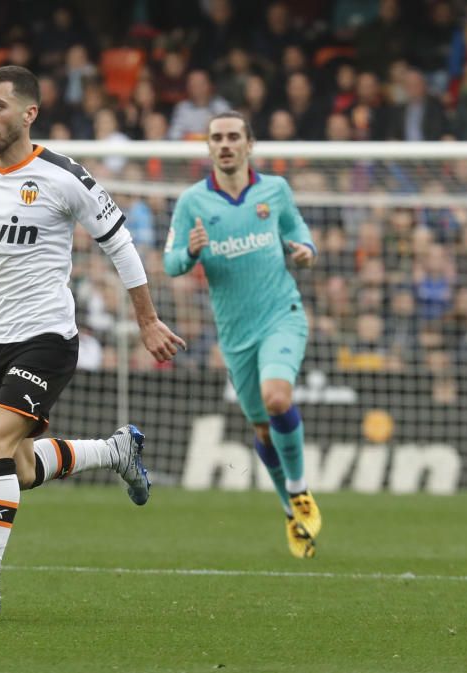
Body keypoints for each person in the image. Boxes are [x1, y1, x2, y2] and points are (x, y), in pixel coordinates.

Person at [0, 66, 185, 616]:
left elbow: (120, 244)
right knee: (18, 469)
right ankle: (114, 451)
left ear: (29, 114)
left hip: (48, 337)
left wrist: (146, 320)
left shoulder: (63, 176)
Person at [163, 110, 321, 559]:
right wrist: (189, 253)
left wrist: (306, 251)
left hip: (282, 315)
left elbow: (298, 232)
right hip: (235, 335)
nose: (225, 144)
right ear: (209, 147)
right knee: (261, 428)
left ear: (249, 145)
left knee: (278, 399)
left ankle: (299, 489)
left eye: (234, 137)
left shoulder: (275, 190)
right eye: (217, 138)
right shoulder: (193, 202)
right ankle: (290, 511)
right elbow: (170, 262)